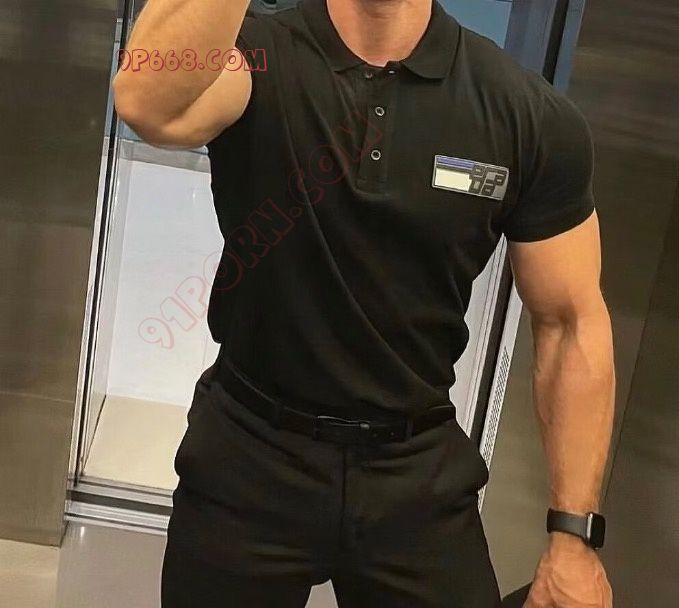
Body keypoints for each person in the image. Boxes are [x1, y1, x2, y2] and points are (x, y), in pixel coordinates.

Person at [113, 1, 615, 606]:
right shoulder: (255, 55)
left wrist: (574, 536)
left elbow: (569, 323)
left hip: (415, 469)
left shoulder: (524, 113)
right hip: (249, 453)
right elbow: (146, 103)